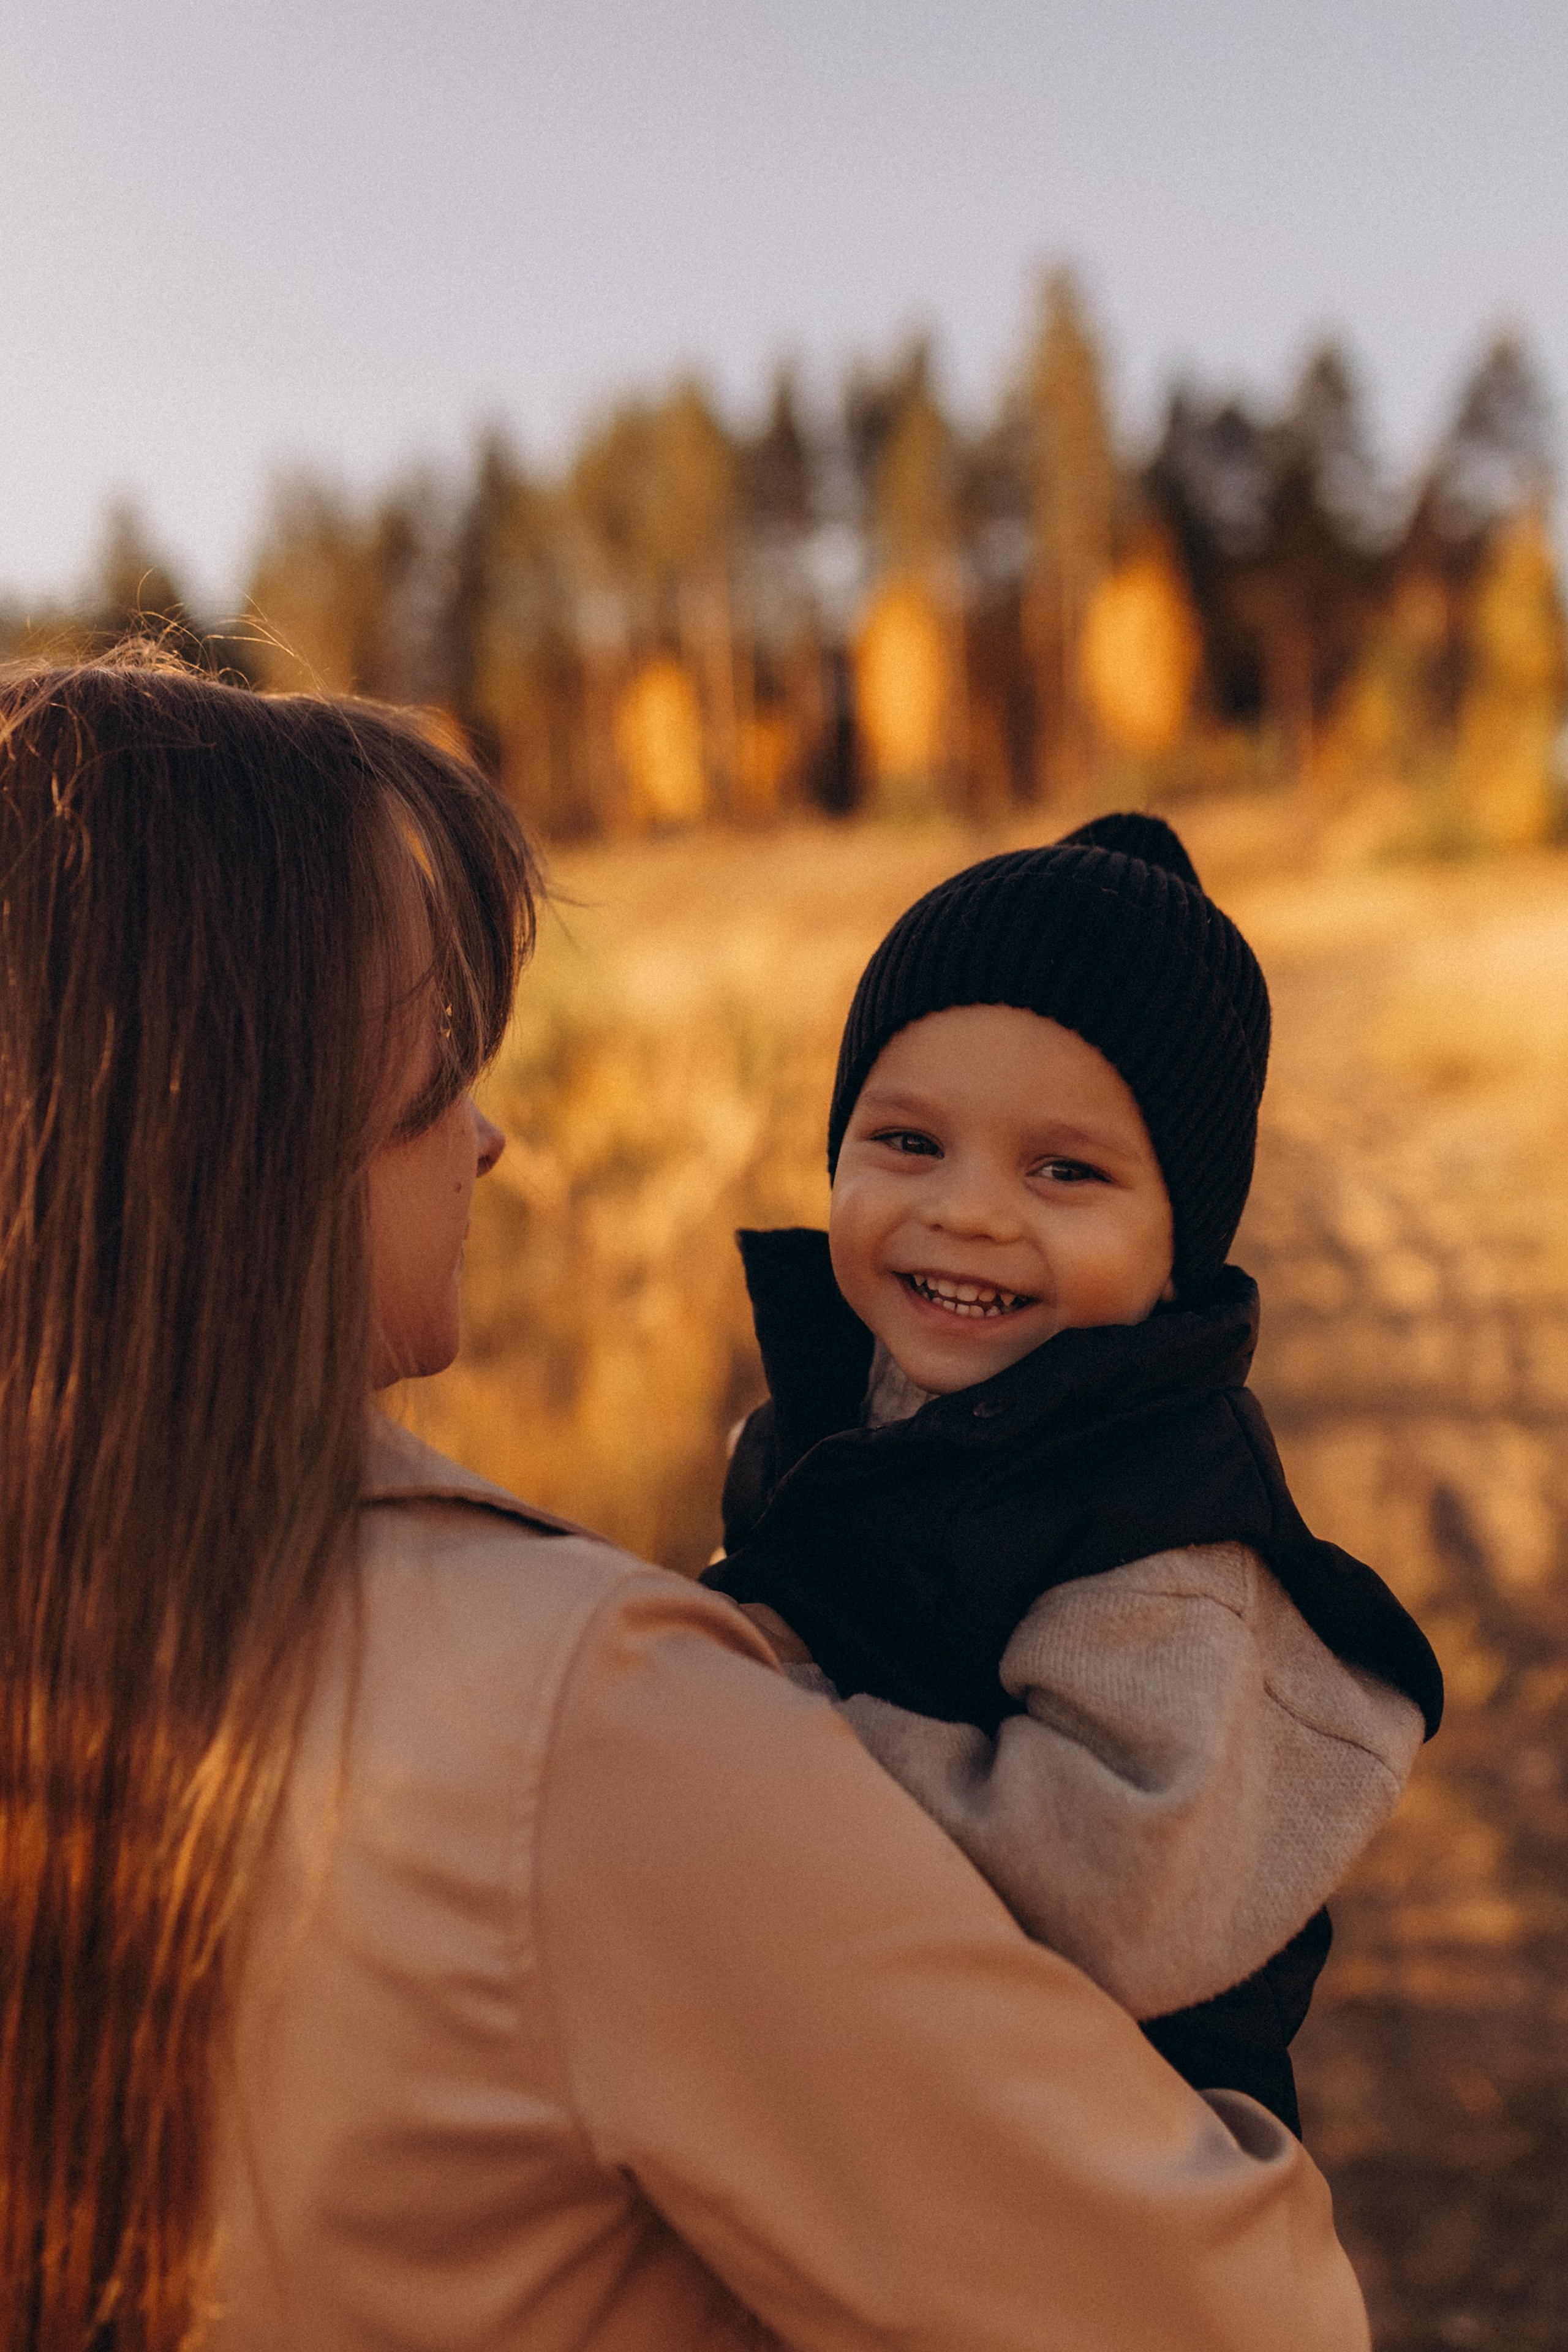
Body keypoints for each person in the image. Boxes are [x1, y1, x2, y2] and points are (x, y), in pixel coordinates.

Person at [0, 656, 1371, 2352]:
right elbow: (1240, 2318)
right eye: (440, 1049)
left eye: (1066, 1169)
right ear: (241, 1097)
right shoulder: (579, 1727)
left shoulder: (83, 1614)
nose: (490, 1136)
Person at [706, 813, 1443, 2133]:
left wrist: (769, 1713)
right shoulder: (835, 1417)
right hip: (900, 2093)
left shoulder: (1163, 1530)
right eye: (909, 1144)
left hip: (1112, 2159)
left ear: (1179, 1247)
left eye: (1064, 1170)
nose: (971, 1211)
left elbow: (1103, 1887)